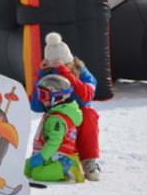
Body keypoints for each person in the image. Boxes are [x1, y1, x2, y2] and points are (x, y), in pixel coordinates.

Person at [31, 32, 102, 180]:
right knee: (55, 121)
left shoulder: (82, 72)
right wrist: (40, 76)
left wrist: (66, 72)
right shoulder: (47, 73)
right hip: (57, 114)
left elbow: (86, 96)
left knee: (89, 114)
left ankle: (89, 161)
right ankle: (51, 159)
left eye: (62, 65)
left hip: (78, 113)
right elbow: (36, 106)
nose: (57, 68)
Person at [25, 73, 83, 182]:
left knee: (38, 174)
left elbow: (54, 141)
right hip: (50, 155)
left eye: (43, 95)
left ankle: (69, 168)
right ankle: (51, 166)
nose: (40, 99)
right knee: (25, 169)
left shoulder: (57, 119)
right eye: (39, 94)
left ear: (58, 97)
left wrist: (42, 157)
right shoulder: (53, 113)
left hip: (60, 157)